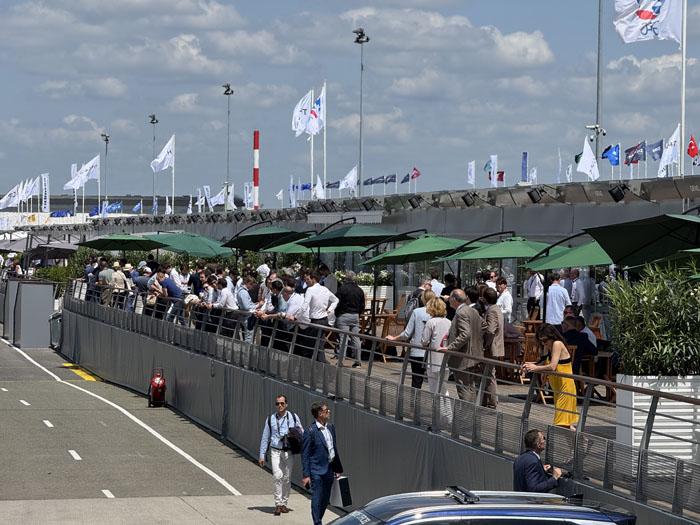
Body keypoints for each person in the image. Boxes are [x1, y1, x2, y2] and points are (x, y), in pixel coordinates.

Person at [523, 323, 579, 429]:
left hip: (565, 388)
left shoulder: (557, 344)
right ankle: (580, 439)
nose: (543, 343)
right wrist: (530, 365)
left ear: (552, 336)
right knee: (565, 424)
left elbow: (552, 366)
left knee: (561, 424)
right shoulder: (550, 346)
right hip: (558, 388)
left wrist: (535, 368)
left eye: (545, 340)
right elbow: (543, 362)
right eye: (541, 341)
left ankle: (580, 439)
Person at [259, 394, 304, 516]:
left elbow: (301, 432)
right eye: (277, 403)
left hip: (289, 451)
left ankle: (284, 503)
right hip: (275, 451)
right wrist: (262, 454)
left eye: (282, 403)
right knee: (277, 476)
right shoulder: (270, 419)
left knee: (287, 478)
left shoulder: (293, 417)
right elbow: (265, 437)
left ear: (286, 404)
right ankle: (278, 504)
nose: (280, 405)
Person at [302, 401, 343, 525]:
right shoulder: (310, 431)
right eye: (326, 410)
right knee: (317, 497)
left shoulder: (331, 427)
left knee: (325, 499)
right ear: (320, 413)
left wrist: (337, 468)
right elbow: (305, 454)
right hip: (316, 471)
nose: (329, 411)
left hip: (329, 469)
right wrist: (306, 475)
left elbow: (333, 449)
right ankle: (317, 522)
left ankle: (318, 519)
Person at [387, 290, 436, 389]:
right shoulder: (437, 313)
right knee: (435, 382)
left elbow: (407, 333)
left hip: (417, 350)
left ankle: (415, 399)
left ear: (423, 299)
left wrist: (394, 338)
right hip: (433, 352)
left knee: (416, 381)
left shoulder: (417, 312)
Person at [444, 288, 484, 401]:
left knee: (464, 389)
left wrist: (449, 348)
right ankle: (472, 411)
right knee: (470, 387)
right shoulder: (472, 311)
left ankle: (466, 412)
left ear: (454, 299)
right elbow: (484, 326)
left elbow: (465, 334)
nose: (448, 299)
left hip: (463, 358)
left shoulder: (461, 313)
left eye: (450, 297)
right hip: (474, 356)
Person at [303, 271, 338, 362]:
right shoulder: (325, 289)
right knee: (319, 343)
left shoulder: (310, 290)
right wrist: (329, 310)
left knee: (312, 343)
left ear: (313, 279)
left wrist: (296, 316)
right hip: (324, 319)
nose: (306, 281)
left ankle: (319, 363)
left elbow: (304, 306)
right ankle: (321, 362)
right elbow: (336, 300)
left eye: (308, 279)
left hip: (316, 320)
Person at [513, 428, 562, 493]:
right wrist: (554, 478)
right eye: (543, 438)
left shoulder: (519, 458)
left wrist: (541, 470)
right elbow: (534, 488)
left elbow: (525, 478)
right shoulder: (533, 461)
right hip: (531, 499)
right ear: (538, 444)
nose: (545, 441)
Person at [334, 271, 365, 367]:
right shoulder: (359, 290)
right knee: (356, 338)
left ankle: (340, 361)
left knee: (343, 338)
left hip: (343, 315)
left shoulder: (341, 289)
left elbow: (337, 303)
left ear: (346, 279)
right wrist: (358, 313)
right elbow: (362, 305)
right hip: (355, 316)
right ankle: (358, 361)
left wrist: (337, 314)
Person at [421, 297, 452, 395]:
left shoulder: (431, 322)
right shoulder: (449, 322)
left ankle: (438, 405)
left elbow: (424, 341)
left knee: (434, 388)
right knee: (443, 387)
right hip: (446, 358)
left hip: (433, 358)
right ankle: (446, 406)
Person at [482, 287, 504, 408]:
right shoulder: (496, 309)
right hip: (495, 346)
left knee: (490, 374)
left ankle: (492, 401)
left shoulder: (492, 311)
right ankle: (489, 399)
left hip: (491, 347)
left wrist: (486, 344)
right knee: (490, 373)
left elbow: (490, 330)